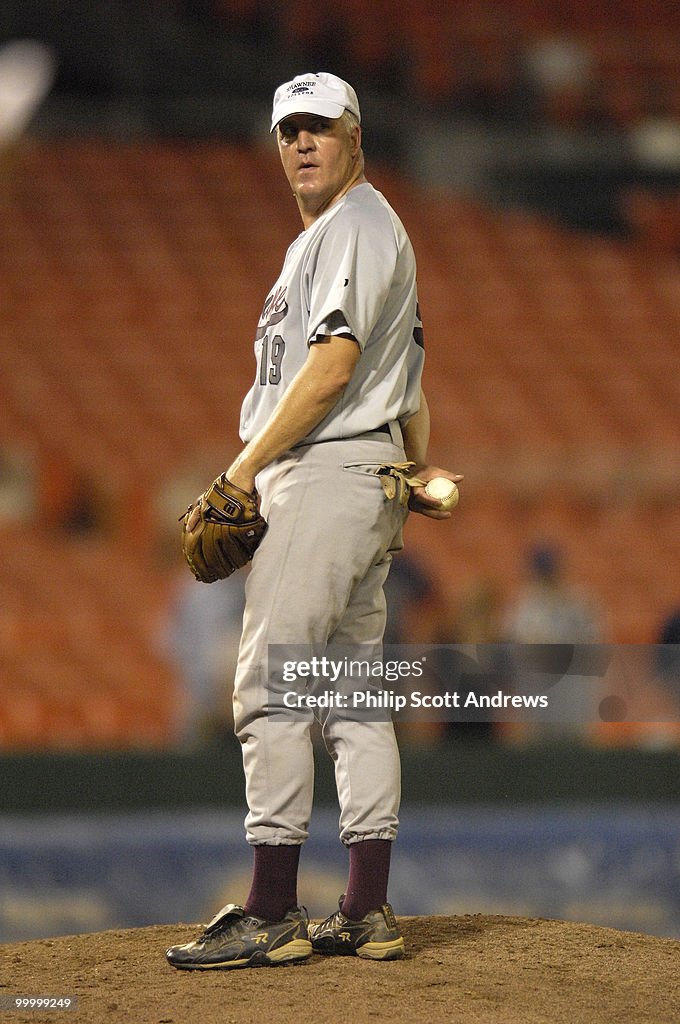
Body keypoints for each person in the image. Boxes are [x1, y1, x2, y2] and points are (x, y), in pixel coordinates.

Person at [166, 71, 462, 970]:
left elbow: (334, 368)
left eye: (319, 127)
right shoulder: (347, 236)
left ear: (356, 138)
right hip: (361, 475)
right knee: (352, 700)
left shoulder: (357, 224)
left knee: (269, 687)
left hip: (323, 471)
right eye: (288, 128)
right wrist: (403, 480)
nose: (301, 141)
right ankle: (367, 911)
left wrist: (243, 468)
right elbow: (408, 373)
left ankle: (270, 911)